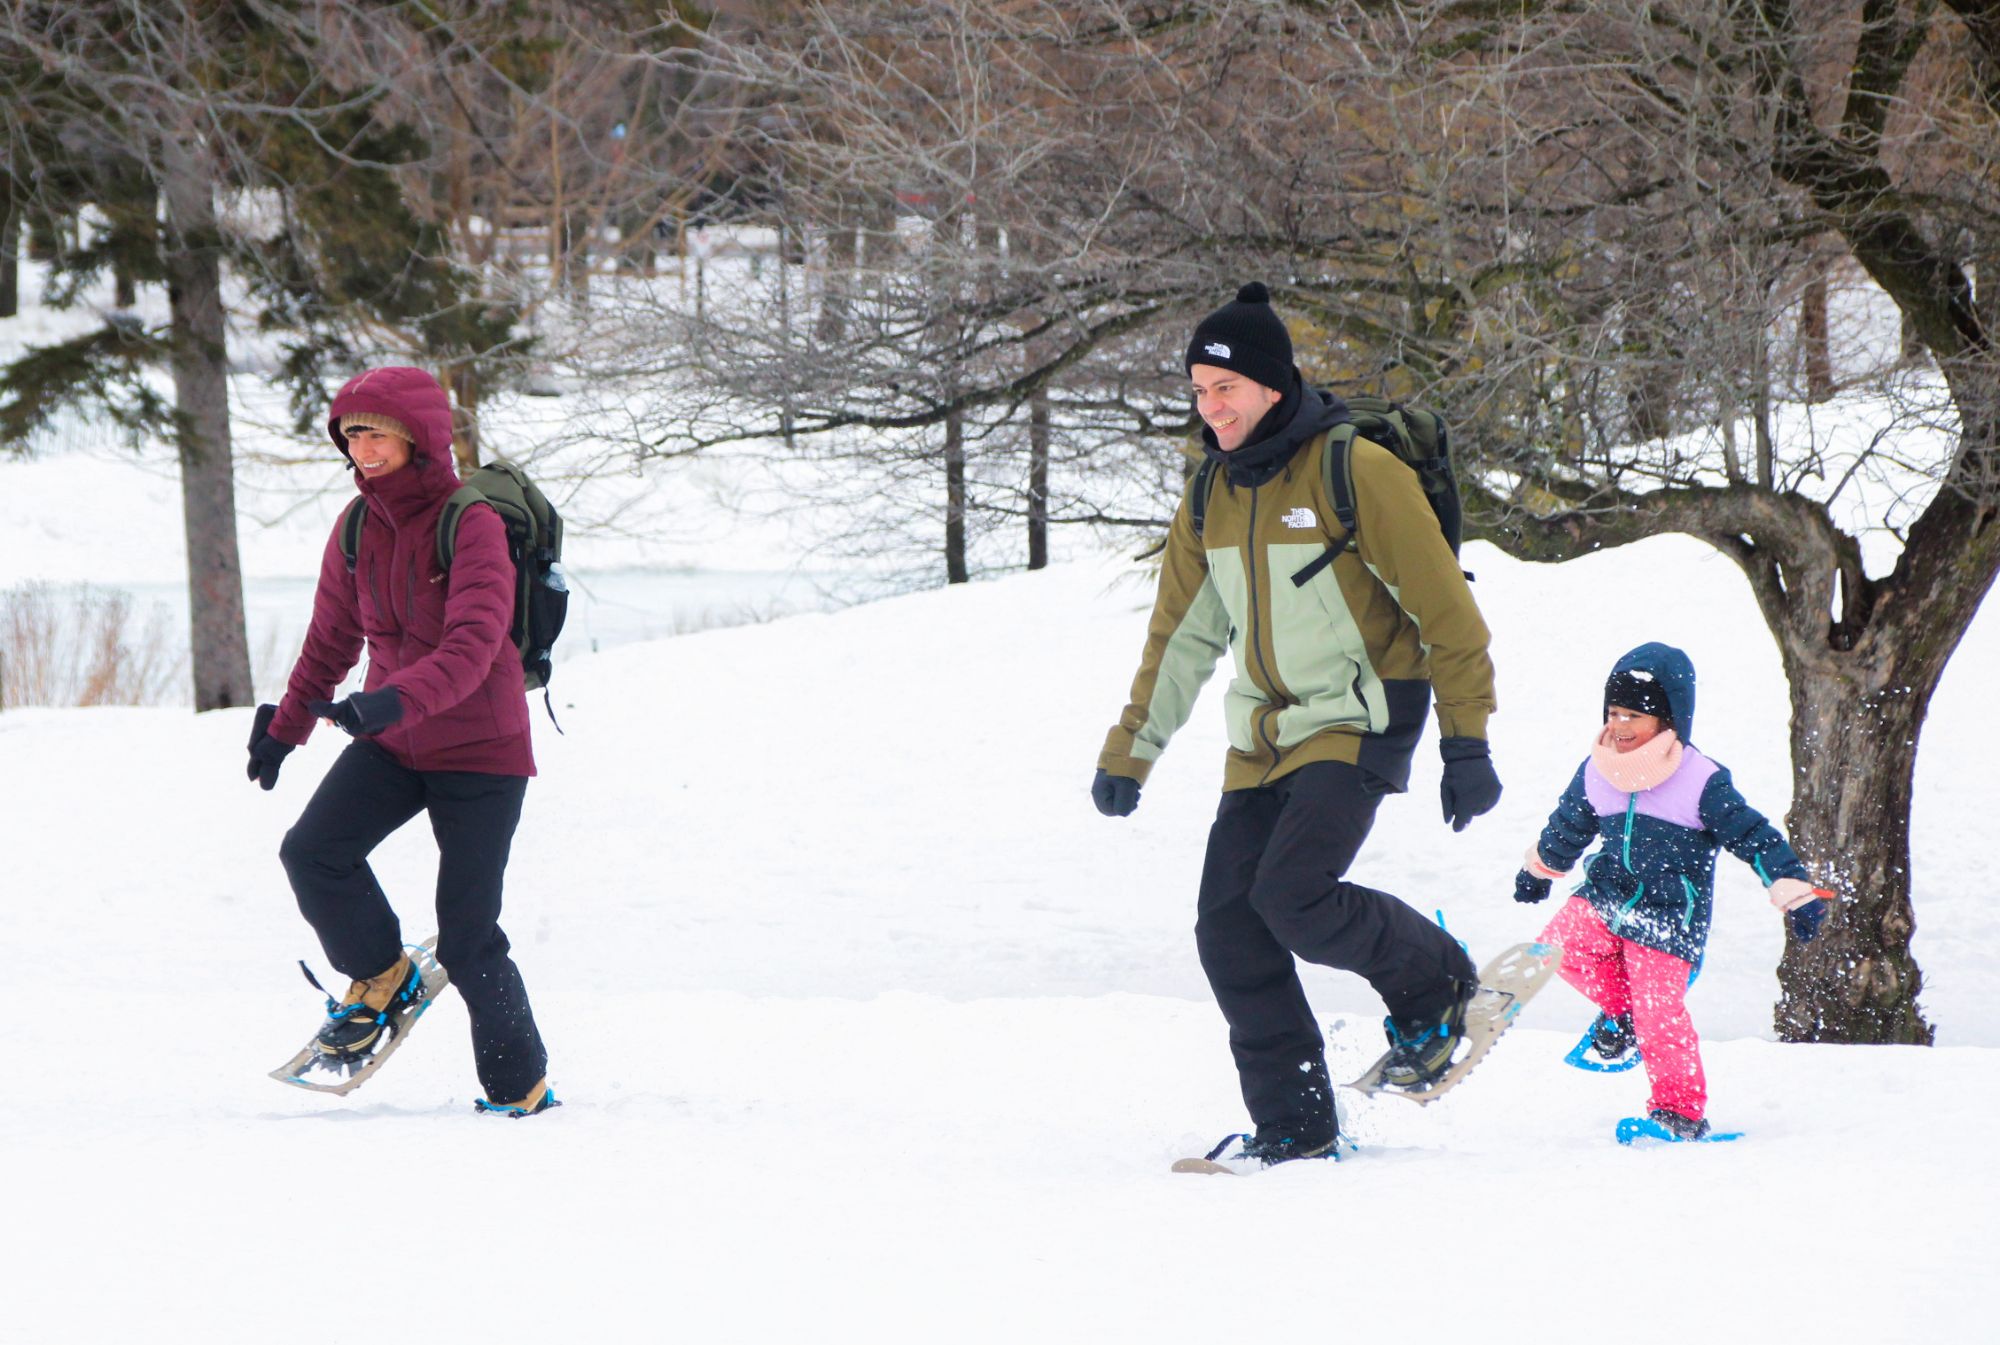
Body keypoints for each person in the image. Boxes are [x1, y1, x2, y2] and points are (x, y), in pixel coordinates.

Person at [1092, 283, 1502, 1165]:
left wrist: (1466, 741)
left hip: (1363, 714)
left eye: (1224, 387)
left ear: (1272, 384)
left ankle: (1435, 979)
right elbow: (1182, 635)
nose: (1210, 406)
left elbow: (1448, 616)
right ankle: (1297, 1123)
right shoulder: (1211, 494)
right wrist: (1133, 749)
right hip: (1266, 737)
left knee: (1293, 896)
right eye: (1199, 390)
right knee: (1229, 929)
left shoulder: (1356, 471)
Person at [244, 366, 556, 1118]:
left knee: (468, 935)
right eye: (351, 434)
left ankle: (521, 1087)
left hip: (482, 750)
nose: (362, 447)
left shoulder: (470, 520)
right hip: (395, 740)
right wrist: (285, 727)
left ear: (418, 437)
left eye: (375, 431)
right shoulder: (356, 526)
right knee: (312, 851)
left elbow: (476, 644)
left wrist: (386, 702)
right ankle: (380, 974)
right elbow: (330, 639)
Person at [1514, 642, 1828, 1140]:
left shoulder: (1699, 779)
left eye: (1633, 715)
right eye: (1613, 712)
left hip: (1669, 916)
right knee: (1559, 949)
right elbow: (1570, 824)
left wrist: (1794, 889)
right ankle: (1621, 1014)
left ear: (1668, 719)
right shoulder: (1598, 768)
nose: (1618, 725)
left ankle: (1679, 1113)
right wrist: (1541, 866)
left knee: (1660, 1015)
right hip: (1606, 896)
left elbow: (1752, 835)